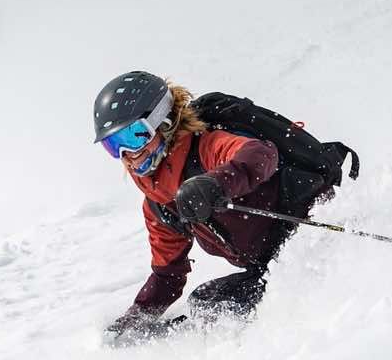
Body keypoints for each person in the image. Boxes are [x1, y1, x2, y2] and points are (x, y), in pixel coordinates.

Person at [93, 71, 306, 342]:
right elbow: (167, 275)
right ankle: (174, 348)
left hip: (310, 234)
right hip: (277, 266)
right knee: (208, 303)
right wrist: (133, 321)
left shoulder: (205, 147)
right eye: (114, 146)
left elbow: (261, 154)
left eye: (135, 137)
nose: (128, 155)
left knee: (213, 308)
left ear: (164, 122)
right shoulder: (160, 205)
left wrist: (217, 183)